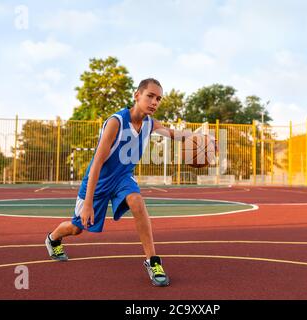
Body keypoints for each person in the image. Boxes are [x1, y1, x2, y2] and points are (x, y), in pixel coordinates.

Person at [45, 78, 214, 287]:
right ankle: (53, 238)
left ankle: (153, 261)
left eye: (158, 98)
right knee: (77, 228)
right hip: (99, 180)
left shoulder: (151, 124)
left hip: (123, 177)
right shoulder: (116, 122)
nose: (154, 102)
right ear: (137, 96)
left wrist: (201, 139)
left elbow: (176, 134)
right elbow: (97, 163)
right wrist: (88, 204)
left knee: (137, 201)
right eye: (150, 96)